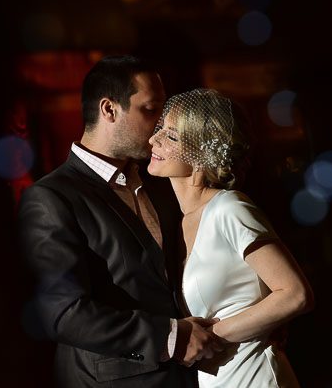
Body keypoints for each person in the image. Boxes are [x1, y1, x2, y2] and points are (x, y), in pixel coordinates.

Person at [18, 56, 223, 387]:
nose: (160, 126)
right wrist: (170, 338)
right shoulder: (51, 198)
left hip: (194, 375)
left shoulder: (160, 180)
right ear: (109, 110)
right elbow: (64, 313)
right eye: (150, 109)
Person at [148, 88, 315, 387]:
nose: (153, 140)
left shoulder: (229, 208)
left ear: (201, 152)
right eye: (160, 129)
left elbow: (295, 294)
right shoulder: (182, 221)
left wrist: (209, 337)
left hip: (254, 377)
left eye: (171, 136)